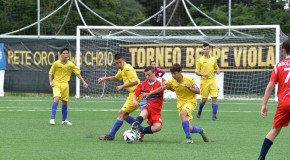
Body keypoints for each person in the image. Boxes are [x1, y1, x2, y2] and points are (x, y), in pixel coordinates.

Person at [145, 63, 209, 144]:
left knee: (183, 114)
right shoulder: (172, 81)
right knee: (189, 128)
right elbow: (162, 88)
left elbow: (198, 91)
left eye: (175, 73)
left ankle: (188, 139)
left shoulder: (189, 79)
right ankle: (200, 131)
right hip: (180, 104)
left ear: (180, 72)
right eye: (172, 74)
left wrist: (190, 88)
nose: (173, 76)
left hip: (190, 102)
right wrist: (150, 93)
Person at [258, 39, 290, 160]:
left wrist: (264, 104)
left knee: (274, 130)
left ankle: (261, 157)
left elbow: (270, 86)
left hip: (284, 104)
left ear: (284, 51)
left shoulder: (278, 66)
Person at [98, 53, 141, 141]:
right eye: (116, 63)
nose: (118, 64)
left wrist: (122, 86)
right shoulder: (121, 69)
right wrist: (105, 78)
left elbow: (136, 82)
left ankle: (111, 135)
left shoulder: (128, 68)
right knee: (124, 115)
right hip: (133, 94)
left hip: (136, 94)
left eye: (120, 62)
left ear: (123, 60)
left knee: (121, 113)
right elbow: (116, 78)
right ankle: (141, 129)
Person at [49, 47, 88, 125]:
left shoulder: (70, 64)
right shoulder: (56, 63)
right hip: (56, 83)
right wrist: (50, 82)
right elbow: (50, 73)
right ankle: (52, 119)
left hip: (65, 85)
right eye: (64, 53)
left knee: (64, 102)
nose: (65, 55)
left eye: (67, 53)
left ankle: (64, 120)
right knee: (56, 99)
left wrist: (83, 82)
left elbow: (77, 73)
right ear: (61, 54)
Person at [131, 65, 166, 141]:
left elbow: (164, 87)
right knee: (144, 112)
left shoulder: (161, 80)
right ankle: (136, 124)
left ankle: (142, 131)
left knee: (158, 127)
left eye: (149, 75)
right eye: (146, 75)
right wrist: (134, 100)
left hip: (156, 110)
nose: (147, 77)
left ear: (154, 73)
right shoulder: (143, 84)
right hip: (146, 104)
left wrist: (150, 93)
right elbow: (135, 94)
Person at [195, 42, 220, 121]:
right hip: (204, 82)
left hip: (213, 80)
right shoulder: (199, 60)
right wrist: (203, 74)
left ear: (209, 50)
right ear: (202, 50)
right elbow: (196, 72)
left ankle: (214, 115)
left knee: (214, 97)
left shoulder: (213, 59)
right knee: (204, 99)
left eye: (207, 49)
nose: (205, 50)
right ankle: (199, 111)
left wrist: (218, 70)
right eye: (204, 49)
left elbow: (217, 67)